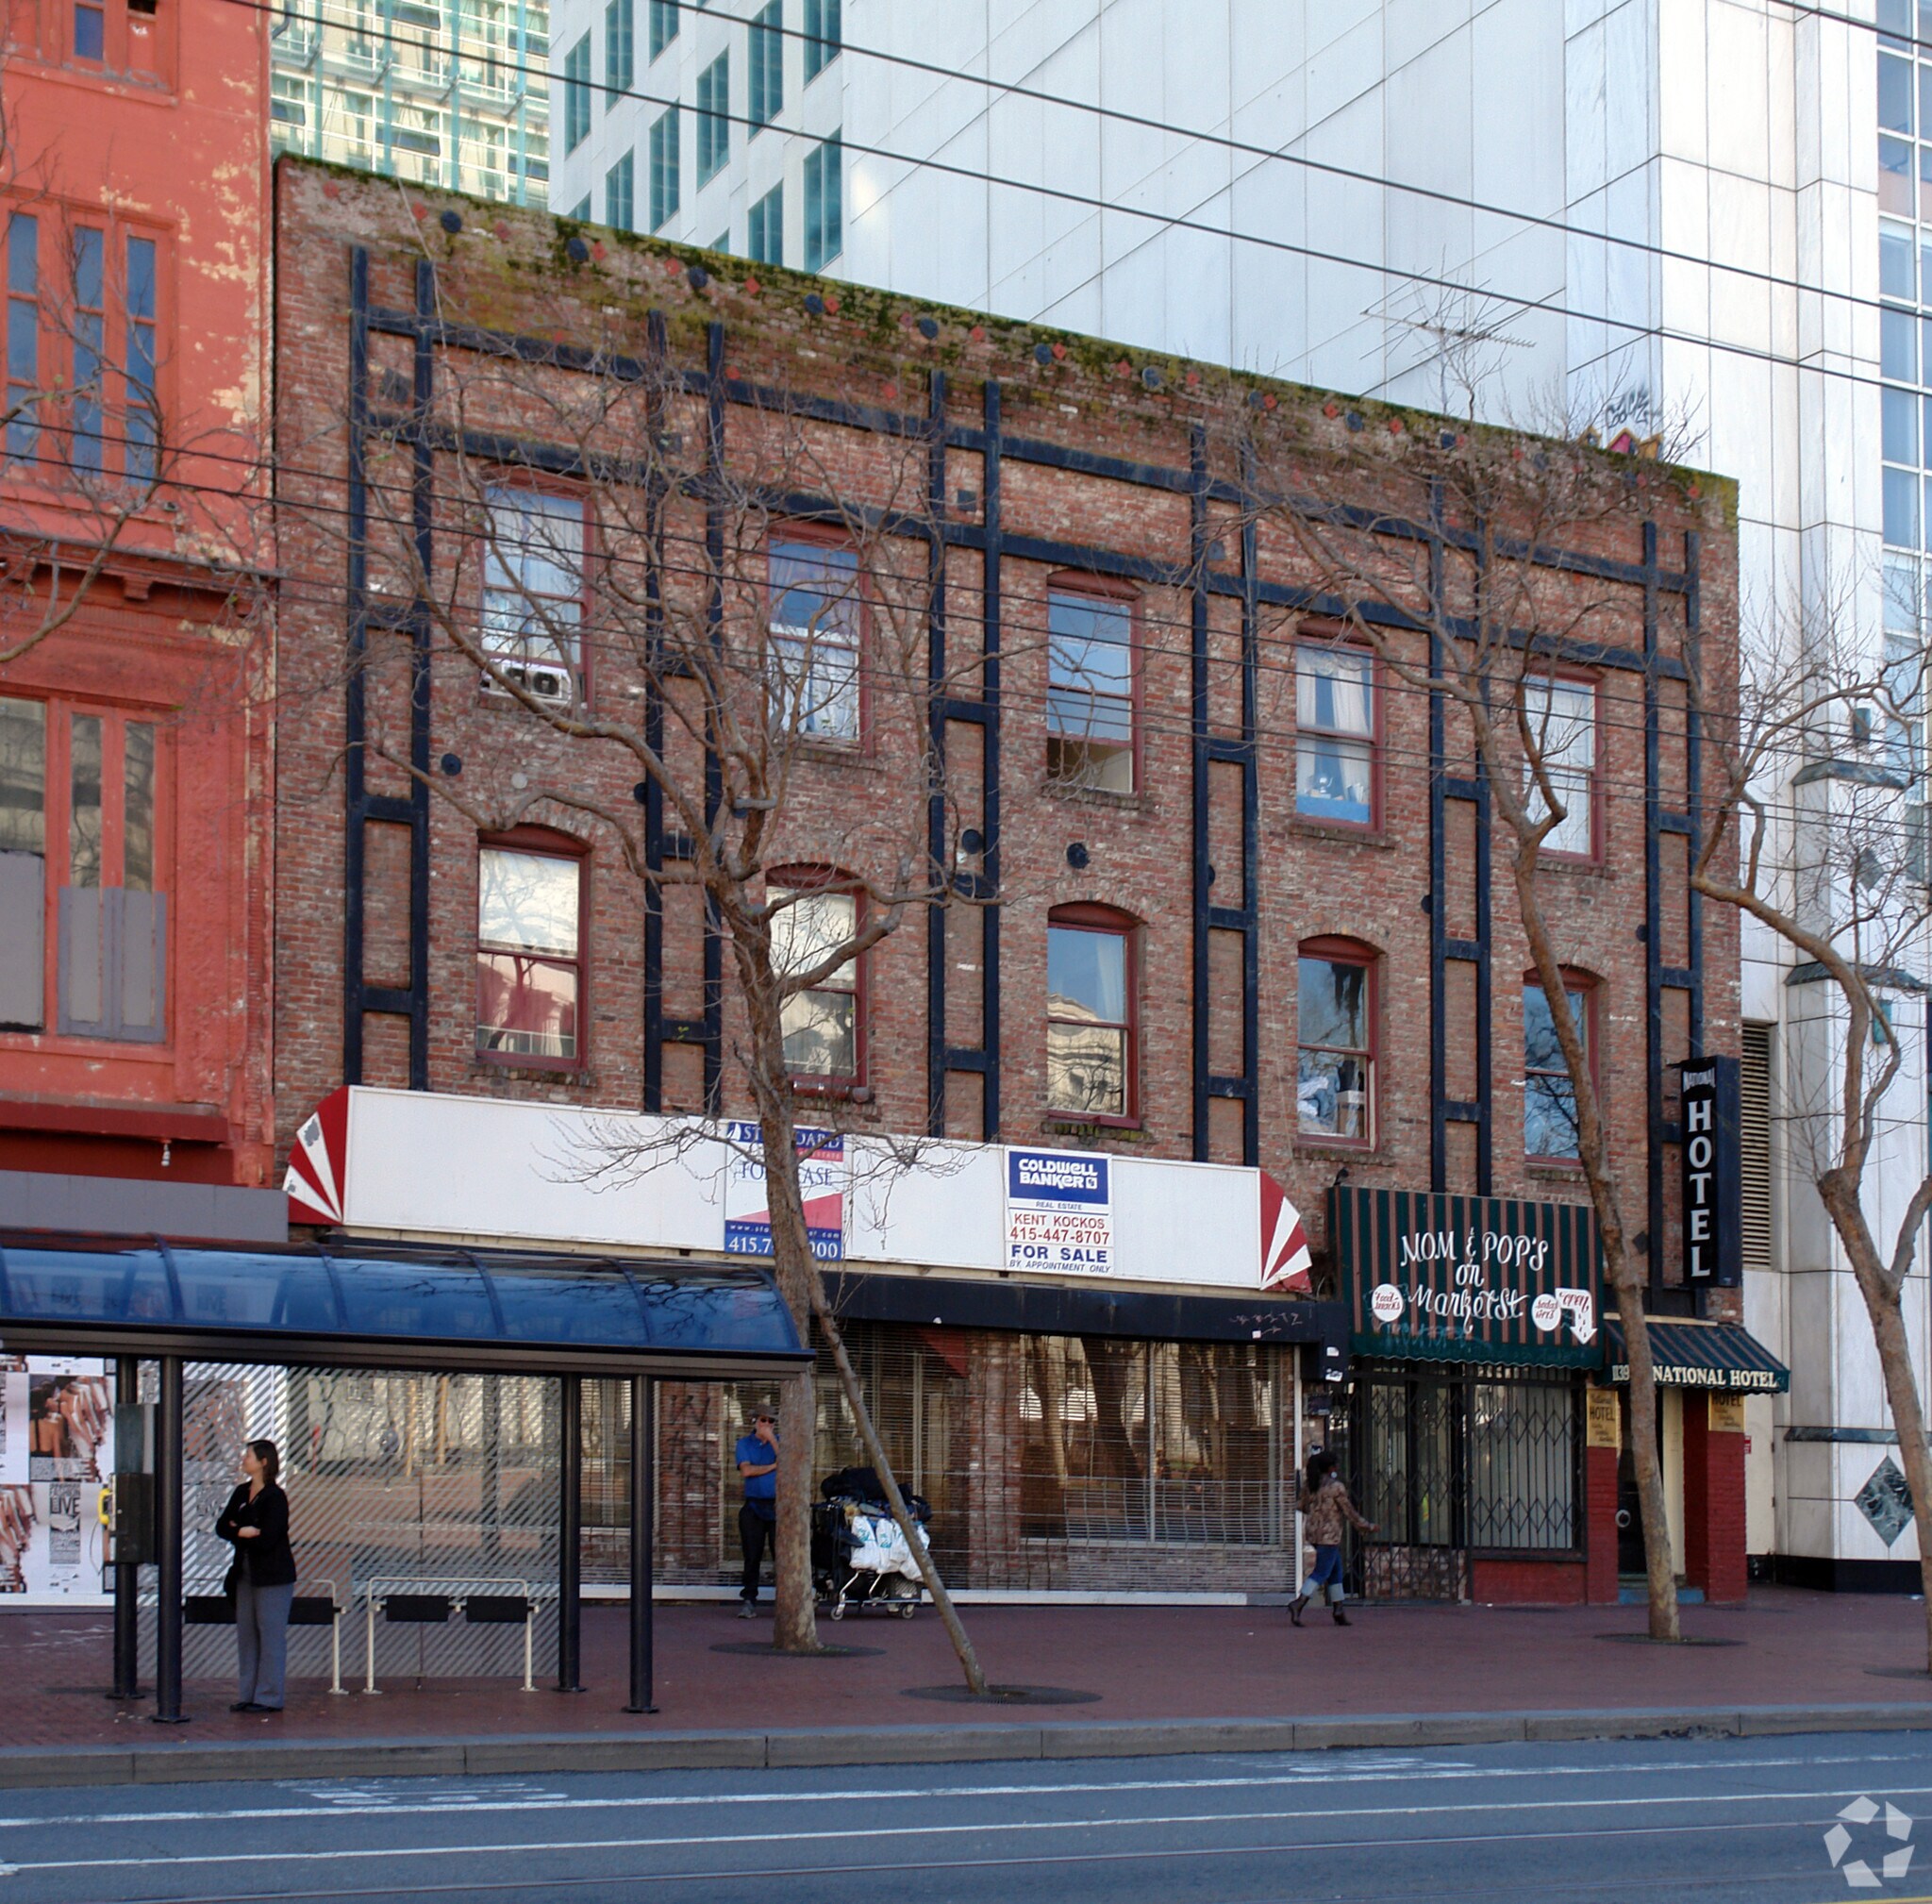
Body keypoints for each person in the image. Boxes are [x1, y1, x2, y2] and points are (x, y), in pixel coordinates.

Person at [214, 1439, 297, 1711]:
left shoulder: (275, 1497)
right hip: (244, 1574)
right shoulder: (241, 1492)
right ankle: (247, 1695)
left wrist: (240, 1530)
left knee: (271, 1635)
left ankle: (269, 1697)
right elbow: (221, 1526)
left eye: (248, 1455)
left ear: (263, 1462)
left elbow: (268, 1538)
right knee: (247, 1635)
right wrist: (242, 1531)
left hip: (272, 1576)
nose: (243, 1459)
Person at [1289, 1447, 1375, 1627]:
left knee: (1336, 1572)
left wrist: (1317, 1510)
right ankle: (1299, 1603)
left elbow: (1301, 1506)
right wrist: (1367, 1526)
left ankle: (1338, 1610)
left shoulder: (1310, 1484)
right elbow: (1349, 1511)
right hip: (1330, 1536)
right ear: (1330, 1468)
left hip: (1313, 1533)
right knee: (1321, 1572)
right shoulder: (1336, 1487)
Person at [734, 1408, 779, 1619]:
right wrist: (772, 1466)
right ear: (754, 1421)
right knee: (752, 1555)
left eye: (771, 1421)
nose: (767, 1424)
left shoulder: (779, 1442)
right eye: (763, 1420)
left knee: (781, 1555)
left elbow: (789, 1464)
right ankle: (749, 1599)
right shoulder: (744, 1444)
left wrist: (772, 1441)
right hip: (753, 1506)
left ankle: (785, 1600)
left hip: (778, 1506)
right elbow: (747, 1471)